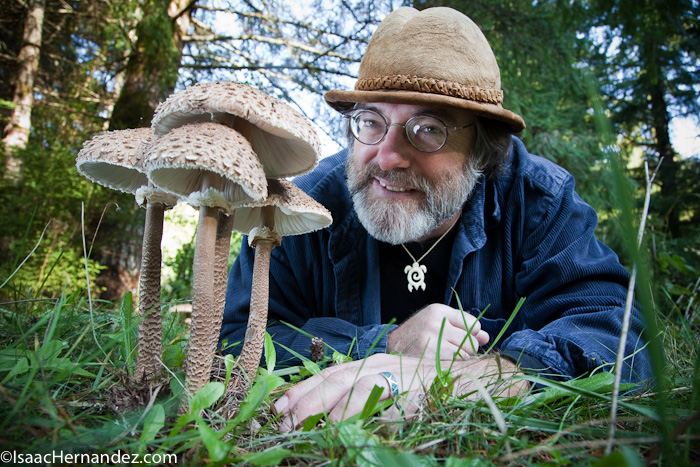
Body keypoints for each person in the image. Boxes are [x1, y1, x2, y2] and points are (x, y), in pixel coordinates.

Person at [219, 6, 652, 429]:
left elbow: (621, 336)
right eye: (370, 121)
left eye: (429, 129)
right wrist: (384, 345)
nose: (386, 158)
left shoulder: (538, 201)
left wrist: (471, 378)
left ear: (482, 150)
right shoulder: (302, 209)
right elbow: (234, 336)